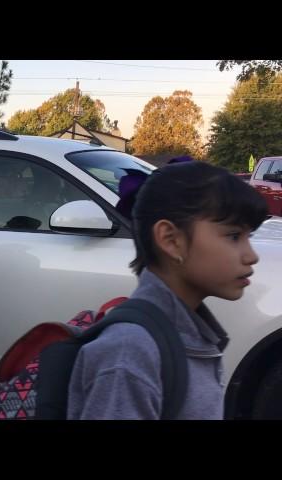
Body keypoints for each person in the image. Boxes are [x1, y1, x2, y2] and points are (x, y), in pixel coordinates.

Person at [66, 159, 269, 419]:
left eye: (248, 237)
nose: (251, 256)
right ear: (171, 240)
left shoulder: (189, 336)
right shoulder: (131, 353)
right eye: (233, 236)